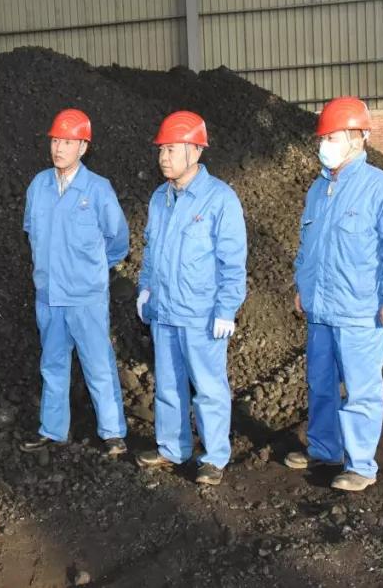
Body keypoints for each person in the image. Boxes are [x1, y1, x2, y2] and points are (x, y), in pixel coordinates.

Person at [285, 96, 383, 492]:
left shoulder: (382, 188)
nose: (323, 144)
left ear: (357, 138)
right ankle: (324, 448)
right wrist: (302, 287)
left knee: (361, 391)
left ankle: (360, 465)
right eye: (322, 138)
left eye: (331, 137)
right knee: (320, 384)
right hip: (320, 310)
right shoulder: (318, 189)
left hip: (360, 311)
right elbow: (307, 246)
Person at [134, 111, 247, 486]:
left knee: (209, 389)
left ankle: (214, 458)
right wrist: (145, 289)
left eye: (171, 149)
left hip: (202, 315)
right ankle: (172, 448)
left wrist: (227, 308)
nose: (163, 157)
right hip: (164, 311)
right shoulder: (159, 198)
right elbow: (150, 251)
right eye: (161, 150)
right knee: (168, 386)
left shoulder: (220, 199)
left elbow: (233, 261)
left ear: (195, 151)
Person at [20, 108, 130, 455]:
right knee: (52, 365)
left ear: (83, 147)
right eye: (55, 141)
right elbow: (31, 232)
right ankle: (53, 430)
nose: (58, 148)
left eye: (67, 142)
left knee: (98, 364)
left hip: (86, 298)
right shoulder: (38, 186)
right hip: (49, 295)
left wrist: (91, 271)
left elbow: (118, 241)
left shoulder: (98, 189)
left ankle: (112, 433)